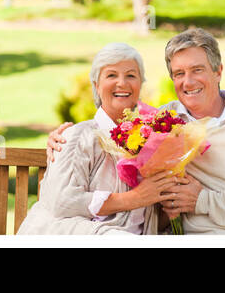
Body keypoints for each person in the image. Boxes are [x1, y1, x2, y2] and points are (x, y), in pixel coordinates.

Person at [46, 27, 225, 234]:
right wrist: (62, 139)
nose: (188, 82)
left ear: (218, 71)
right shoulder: (163, 120)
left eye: (197, 70)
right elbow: (111, 123)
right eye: (179, 73)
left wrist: (203, 201)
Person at [17, 43, 172, 235]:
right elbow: (62, 201)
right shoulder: (76, 137)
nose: (122, 83)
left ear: (141, 85)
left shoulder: (153, 141)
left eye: (131, 75)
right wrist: (136, 197)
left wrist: (170, 207)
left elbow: (144, 220)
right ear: (97, 86)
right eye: (111, 75)